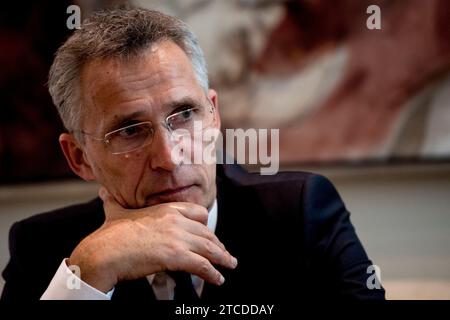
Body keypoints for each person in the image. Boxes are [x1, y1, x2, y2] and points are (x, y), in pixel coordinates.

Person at [1, 7, 384, 301]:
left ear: (214, 115)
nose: (169, 156)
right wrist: (86, 277)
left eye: (184, 115)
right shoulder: (44, 247)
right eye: (130, 130)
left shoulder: (300, 212)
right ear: (79, 158)